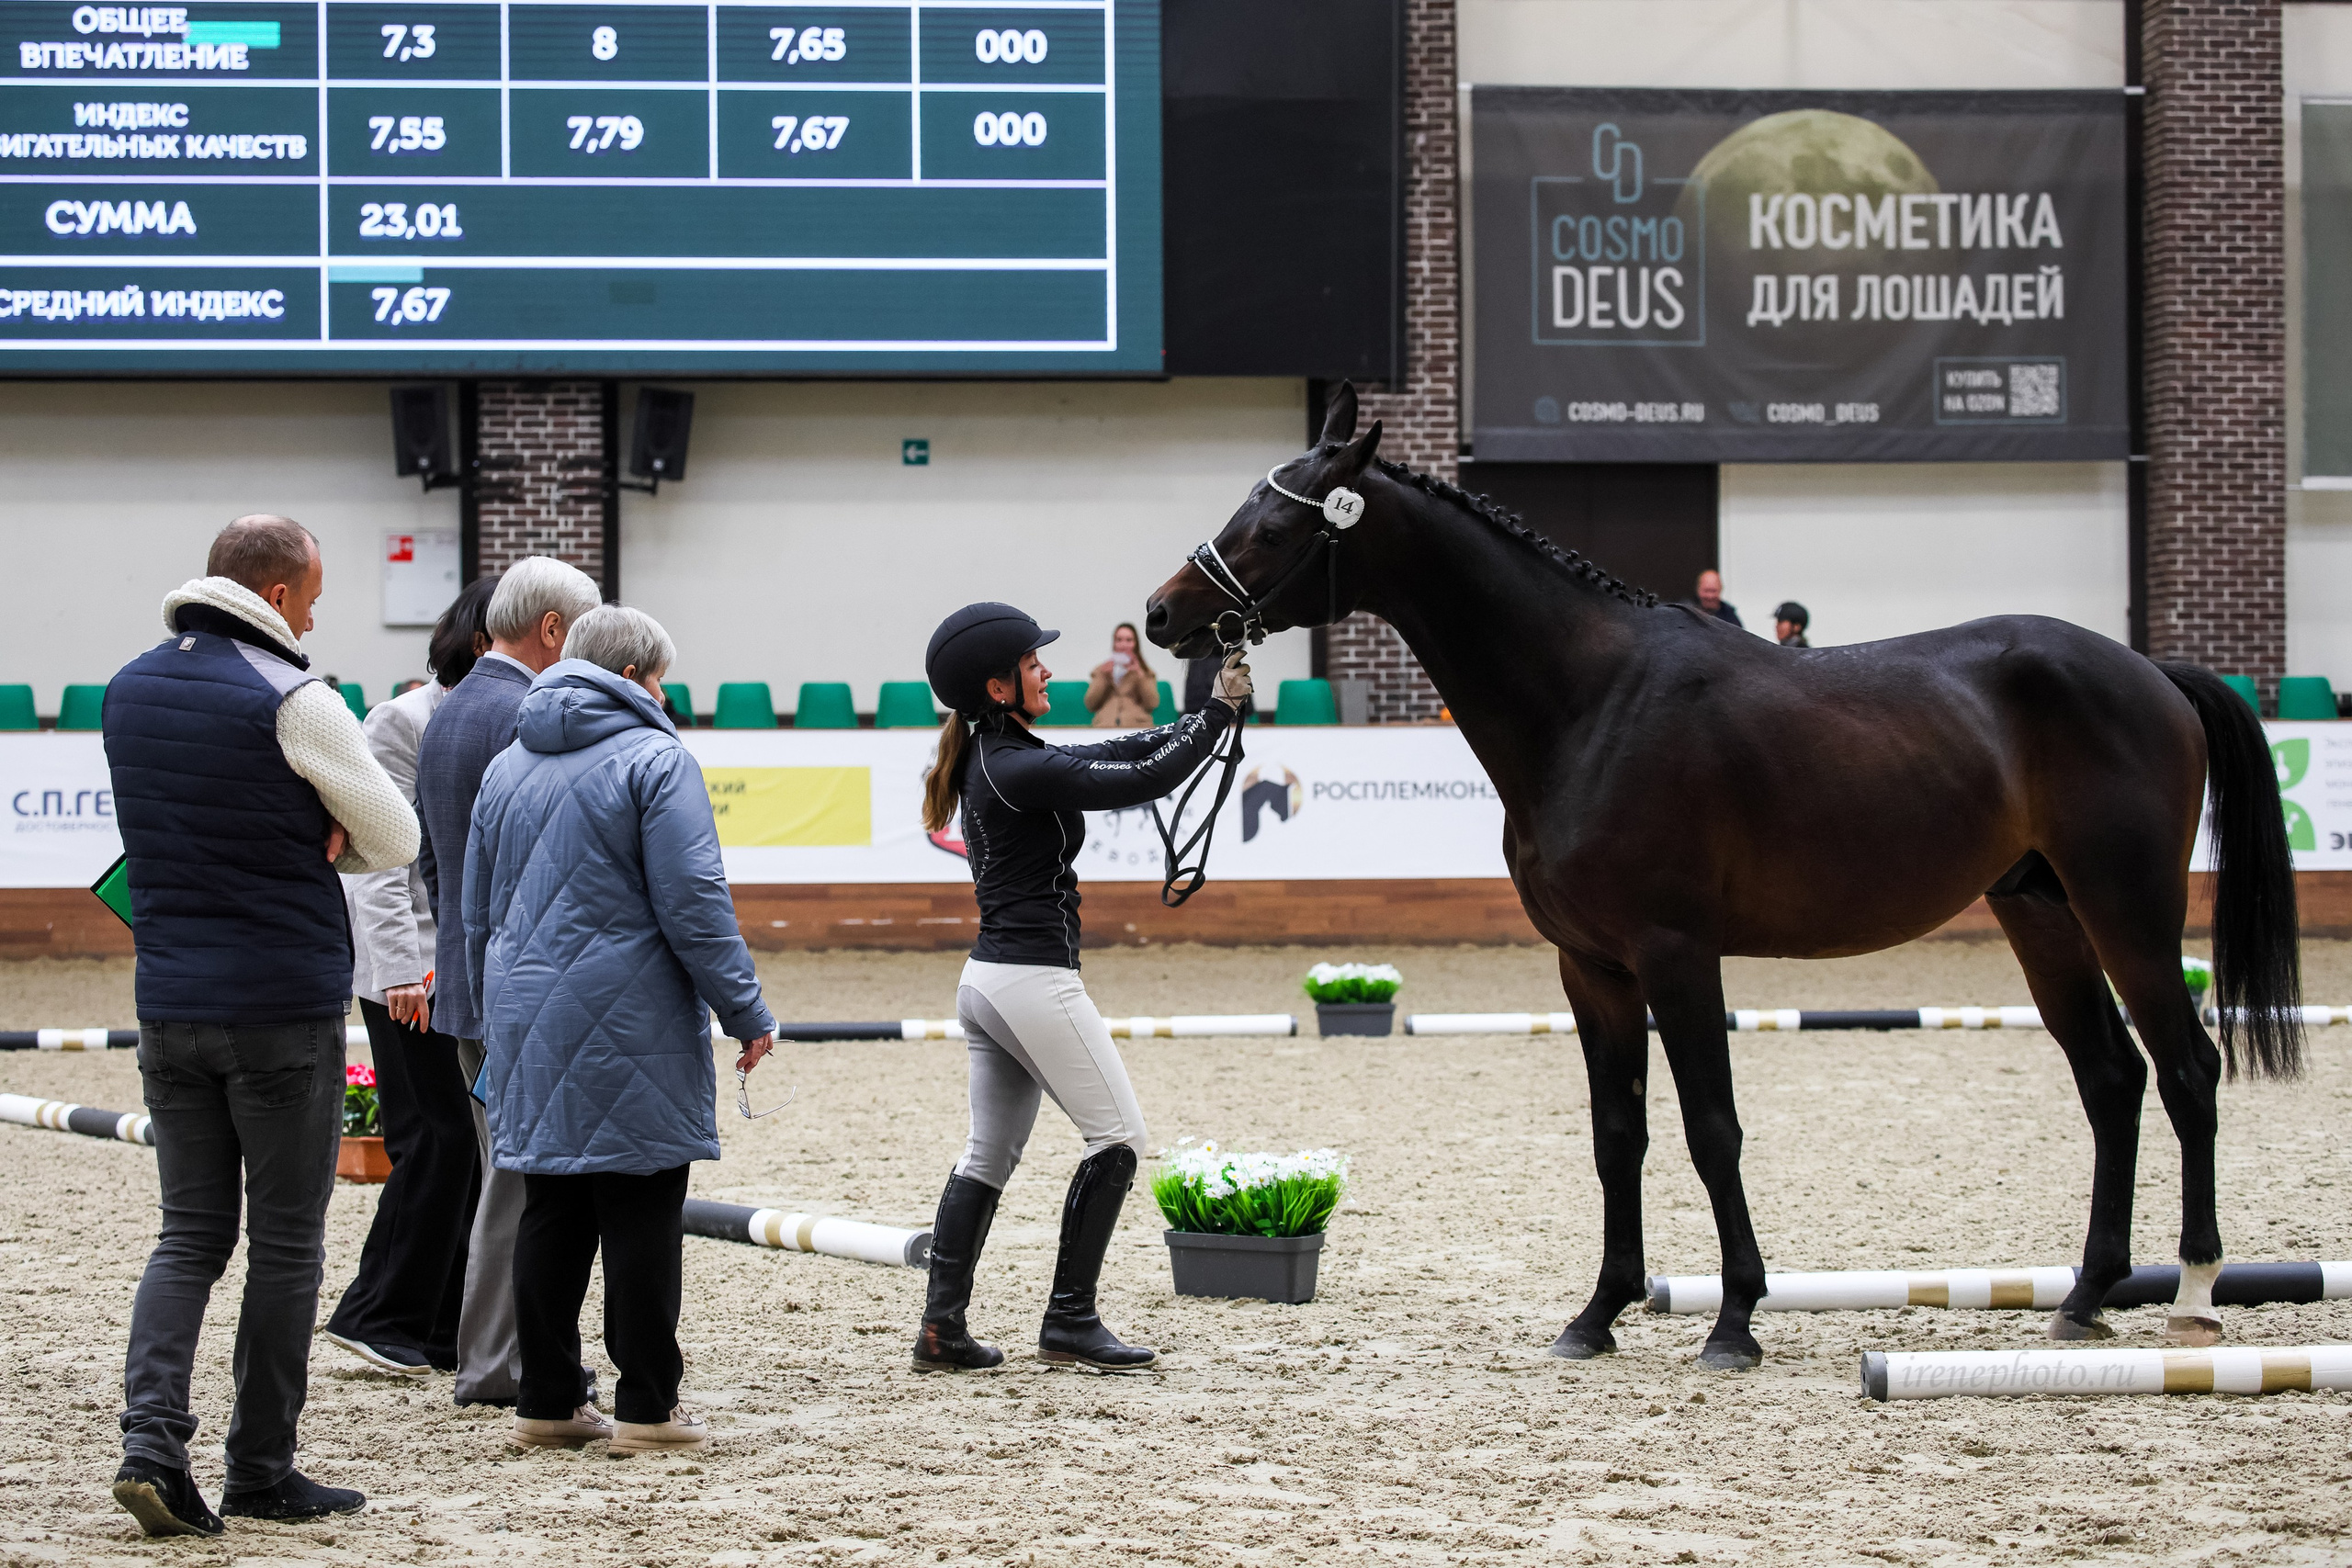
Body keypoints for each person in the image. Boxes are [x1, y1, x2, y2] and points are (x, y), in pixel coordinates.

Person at [103, 515, 420, 1537]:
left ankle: (151, 1442)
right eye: (315, 595)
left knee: (187, 1235)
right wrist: (321, 836)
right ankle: (259, 1468)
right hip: (280, 1002)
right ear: (281, 596)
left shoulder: (129, 688)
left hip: (169, 1002)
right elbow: (396, 833)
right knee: (287, 1243)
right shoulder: (297, 698)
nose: (319, 612)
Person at [466, 605, 777, 1454]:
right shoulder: (656, 757)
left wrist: (492, 1016)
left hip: (526, 1010)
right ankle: (646, 1405)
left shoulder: (506, 766)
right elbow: (695, 903)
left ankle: (548, 1398)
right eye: (663, 676)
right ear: (638, 674)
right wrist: (745, 1010)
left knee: (551, 1203)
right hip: (630, 1011)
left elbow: (477, 911)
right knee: (641, 1205)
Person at [911, 603, 1251, 1374]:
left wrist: (1204, 717)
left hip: (990, 981)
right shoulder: (1015, 765)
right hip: (1032, 980)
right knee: (1121, 1139)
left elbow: (1121, 746)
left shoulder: (998, 754)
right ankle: (1069, 1318)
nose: (1048, 670)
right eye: (1034, 663)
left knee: (987, 1155)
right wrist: (1217, 716)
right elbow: (1144, 777)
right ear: (998, 688)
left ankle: (941, 1329)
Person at [413, 556, 604, 1407]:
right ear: (553, 629)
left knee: (508, 1174)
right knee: (520, 1185)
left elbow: (430, 860)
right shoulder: (525, 715)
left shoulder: (448, 712)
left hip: (466, 979)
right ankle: (497, 1363)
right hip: (516, 989)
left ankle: (501, 1354)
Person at [320, 576, 498, 1377]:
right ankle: (375, 1311)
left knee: (464, 1145)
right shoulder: (401, 720)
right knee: (435, 1138)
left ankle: (435, 1322)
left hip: (457, 966)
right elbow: (383, 859)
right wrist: (400, 967)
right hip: (409, 967)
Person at [1084, 622, 1159, 728]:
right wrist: (1103, 677)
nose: (1123, 645)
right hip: (1105, 727)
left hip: (1137, 727)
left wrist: (1140, 675)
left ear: (1136, 644)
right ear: (1113, 643)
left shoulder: (1145, 671)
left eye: (1129, 640)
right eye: (1119, 640)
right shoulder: (1101, 670)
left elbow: (1152, 704)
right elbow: (1090, 704)